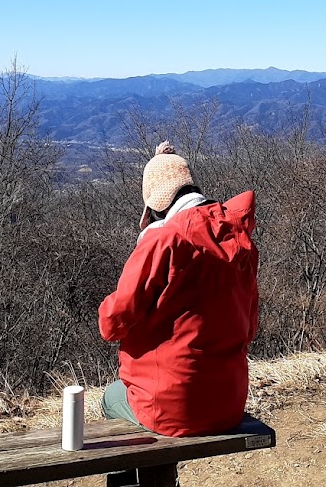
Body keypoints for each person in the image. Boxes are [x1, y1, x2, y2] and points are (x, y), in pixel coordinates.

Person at [98, 141, 259, 437]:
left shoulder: (163, 243)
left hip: (170, 407)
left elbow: (112, 324)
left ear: (155, 207)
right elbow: (249, 328)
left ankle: (149, 480)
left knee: (112, 397)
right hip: (228, 403)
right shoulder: (240, 242)